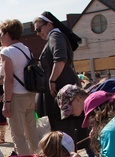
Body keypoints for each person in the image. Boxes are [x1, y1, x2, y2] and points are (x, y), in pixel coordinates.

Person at [32, 12, 84, 144]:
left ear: (49, 24)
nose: (38, 33)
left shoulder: (55, 36)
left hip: (62, 86)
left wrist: (52, 80)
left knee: (64, 125)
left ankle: (68, 155)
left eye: (39, 29)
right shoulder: (54, 37)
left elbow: (60, 59)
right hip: (61, 86)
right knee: (62, 124)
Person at [0, 19, 38, 156]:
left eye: (1, 34)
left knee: (18, 135)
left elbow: (8, 79)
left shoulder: (6, 52)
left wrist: (6, 102)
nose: (0, 37)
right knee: (32, 133)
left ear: (7, 34)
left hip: (16, 95)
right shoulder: (27, 50)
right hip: (30, 94)